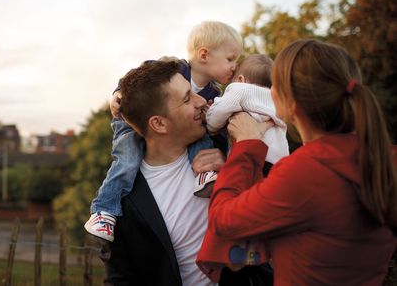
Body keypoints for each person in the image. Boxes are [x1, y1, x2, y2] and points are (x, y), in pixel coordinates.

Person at [204, 39, 397, 285]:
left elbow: (223, 221)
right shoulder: (385, 158)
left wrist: (245, 146)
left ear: (290, 105)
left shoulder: (306, 172)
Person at [85, 21, 242, 242]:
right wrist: (119, 92)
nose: (235, 66)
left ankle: (203, 173)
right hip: (128, 122)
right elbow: (136, 78)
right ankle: (104, 209)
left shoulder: (214, 93)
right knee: (126, 161)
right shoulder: (173, 68)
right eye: (230, 59)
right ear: (204, 55)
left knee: (203, 138)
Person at [100, 60, 227, 285]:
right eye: (187, 98)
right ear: (159, 123)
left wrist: (233, 166)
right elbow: (120, 278)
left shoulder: (225, 141)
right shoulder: (120, 198)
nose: (201, 101)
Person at [196, 54, 289, 281]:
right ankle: (254, 253)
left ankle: (237, 254)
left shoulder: (239, 89)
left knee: (237, 209)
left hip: (254, 158)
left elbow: (217, 117)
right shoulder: (276, 101)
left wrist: (211, 120)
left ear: (240, 78)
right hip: (278, 164)